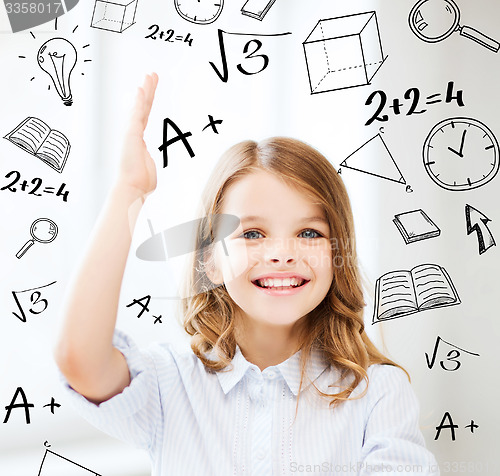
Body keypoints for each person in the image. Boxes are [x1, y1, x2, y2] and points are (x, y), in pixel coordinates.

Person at [55, 73, 440, 475]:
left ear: (336, 254)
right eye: (253, 233)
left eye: (309, 232)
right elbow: (78, 359)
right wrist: (128, 190)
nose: (281, 254)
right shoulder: (169, 382)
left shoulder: (377, 394)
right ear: (211, 261)